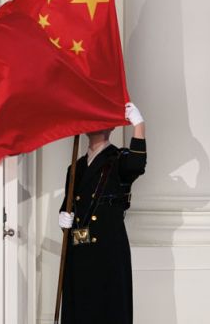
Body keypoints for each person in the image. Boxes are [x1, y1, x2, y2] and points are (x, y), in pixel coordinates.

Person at [58, 102, 146, 324]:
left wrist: (139, 126)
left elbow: (137, 164)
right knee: (80, 308)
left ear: (112, 127)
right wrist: (63, 217)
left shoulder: (119, 159)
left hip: (108, 250)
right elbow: (70, 204)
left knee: (108, 309)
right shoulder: (75, 167)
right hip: (79, 249)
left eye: (102, 119)